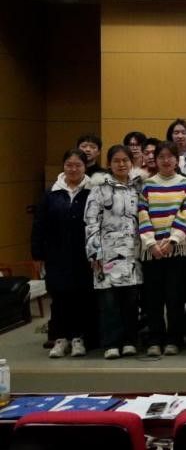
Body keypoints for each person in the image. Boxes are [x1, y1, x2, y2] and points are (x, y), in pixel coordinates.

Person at [32, 149, 94, 358]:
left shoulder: (93, 191)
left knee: (81, 298)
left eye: (78, 165)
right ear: (64, 166)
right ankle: (60, 339)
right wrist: (37, 254)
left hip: (84, 255)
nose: (73, 169)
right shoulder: (51, 193)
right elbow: (39, 225)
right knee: (59, 298)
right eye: (69, 165)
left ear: (85, 167)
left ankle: (78, 339)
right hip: (56, 256)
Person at [84, 145, 142, 360]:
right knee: (109, 302)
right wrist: (94, 252)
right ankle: (111, 343)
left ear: (131, 163)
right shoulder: (99, 189)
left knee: (131, 300)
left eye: (125, 160)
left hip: (132, 253)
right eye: (116, 160)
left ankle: (130, 341)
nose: (121, 164)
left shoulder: (138, 187)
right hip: (106, 253)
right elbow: (91, 222)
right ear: (109, 164)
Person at [138, 141, 186, 357]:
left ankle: (174, 339)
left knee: (175, 297)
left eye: (170, 156)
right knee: (153, 298)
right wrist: (151, 243)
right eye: (161, 157)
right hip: (152, 250)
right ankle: (155, 339)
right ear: (155, 160)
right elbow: (142, 214)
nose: (166, 160)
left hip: (176, 249)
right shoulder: (147, 185)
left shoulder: (185, 183)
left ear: (177, 160)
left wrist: (172, 240)